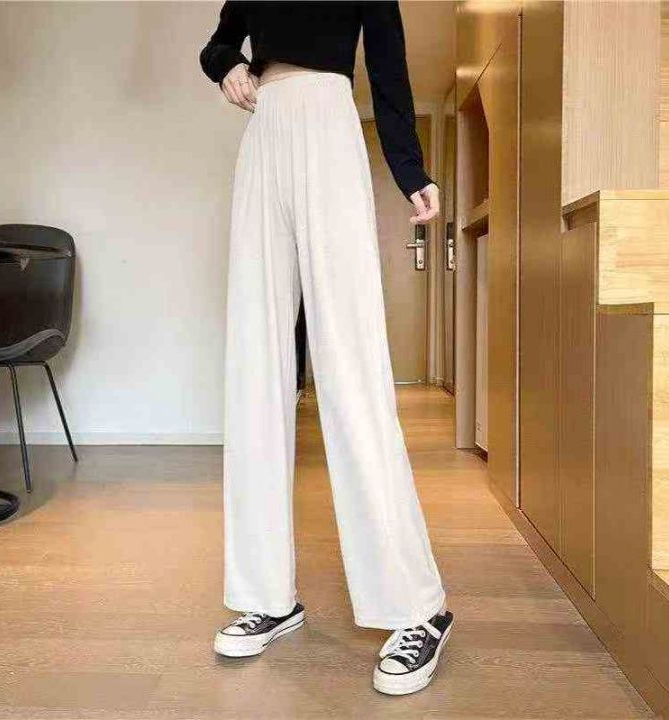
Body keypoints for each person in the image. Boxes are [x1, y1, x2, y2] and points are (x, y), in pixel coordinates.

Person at [199, 1, 453, 696]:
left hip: (329, 120)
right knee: (254, 362)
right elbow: (218, 44)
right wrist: (228, 68)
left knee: (350, 362)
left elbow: (389, 71)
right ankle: (266, 595)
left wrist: (411, 172)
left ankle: (417, 607)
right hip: (265, 135)